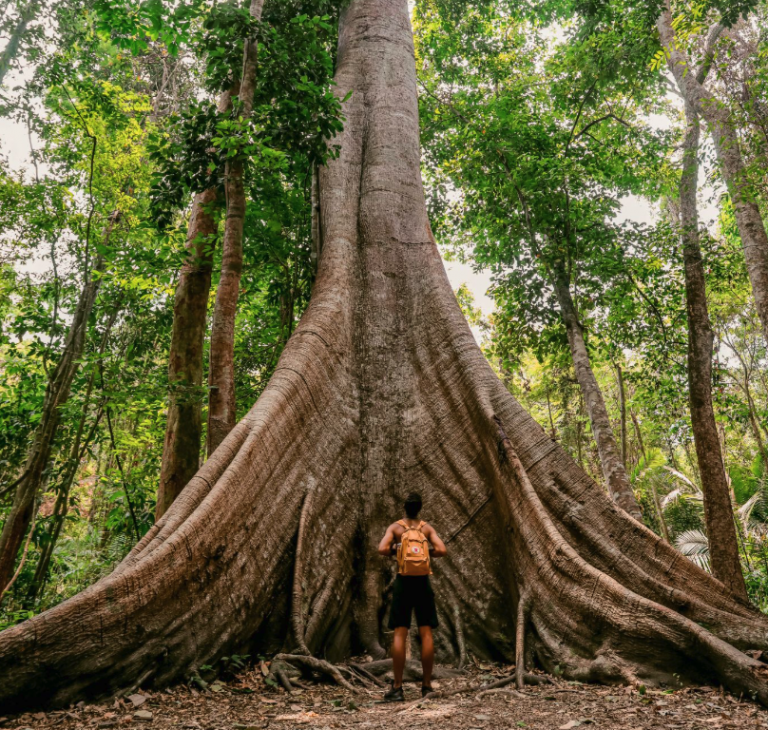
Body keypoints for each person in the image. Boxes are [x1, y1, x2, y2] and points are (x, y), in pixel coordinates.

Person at [377, 492, 447, 702]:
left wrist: (398, 549)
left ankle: (397, 688)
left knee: (400, 633)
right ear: (420, 508)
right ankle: (426, 686)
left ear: (404, 508)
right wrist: (426, 553)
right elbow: (442, 550)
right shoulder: (426, 528)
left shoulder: (396, 527)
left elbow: (381, 549)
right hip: (423, 582)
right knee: (426, 633)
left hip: (403, 582)